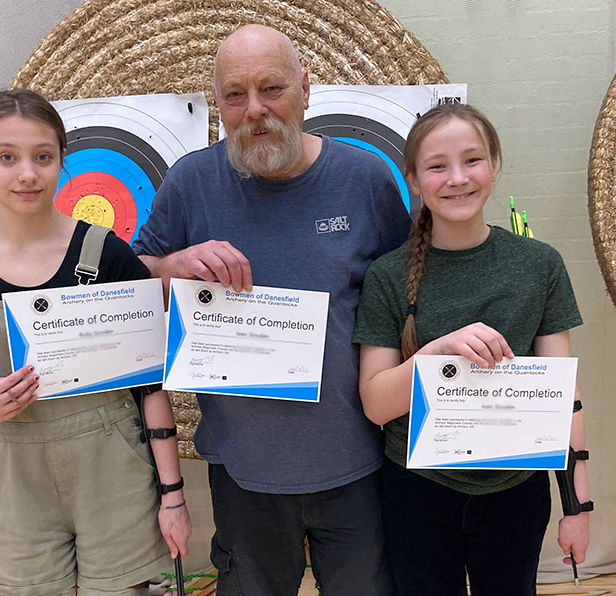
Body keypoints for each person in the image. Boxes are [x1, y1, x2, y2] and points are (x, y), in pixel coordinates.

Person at [132, 24, 410, 596]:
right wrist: (173, 265)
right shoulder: (190, 183)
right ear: (218, 104)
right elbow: (132, 283)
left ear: (306, 90)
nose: (255, 109)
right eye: (235, 94)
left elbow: (405, 300)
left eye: (272, 89)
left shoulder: (366, 179)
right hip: (244, 472)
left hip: (357, 463)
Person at [0, 88, 191, 596]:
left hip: (111, 469)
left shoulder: (105, 253)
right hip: (12, 476)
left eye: (43, 157)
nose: (27, 174)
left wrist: (173, 496)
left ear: (62, 160)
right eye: (7, 157)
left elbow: (150, 386)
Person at [353, 103, 591, 596]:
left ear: (495, 164)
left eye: (472, 160)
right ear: (414, 180)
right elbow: (376, 405)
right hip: (417, 491)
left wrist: (578, 508)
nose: (457, 178)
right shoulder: (387, 277)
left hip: (516, 491)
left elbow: (563, 397)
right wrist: (436, 353)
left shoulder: (539, 265)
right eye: (437, 166)